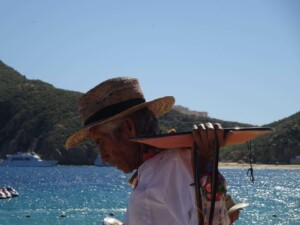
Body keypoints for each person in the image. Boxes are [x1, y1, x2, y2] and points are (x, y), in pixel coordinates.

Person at [65, 77, 231, 225]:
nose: (104, 157)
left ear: (128, 128)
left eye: (101, 142)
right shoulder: (180, 159)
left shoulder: (154, 184)